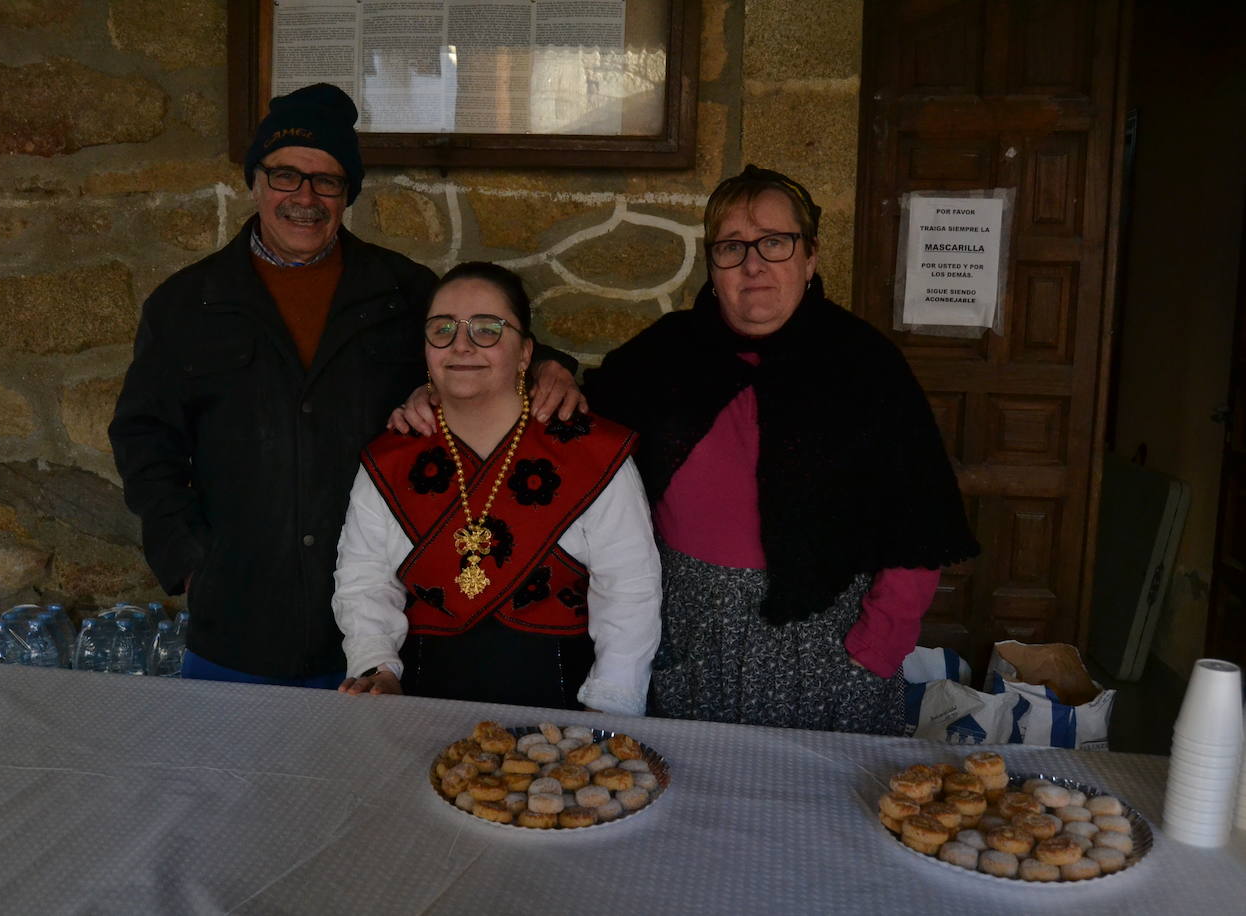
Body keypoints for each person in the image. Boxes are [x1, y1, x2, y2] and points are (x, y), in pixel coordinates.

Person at [108, 84, 582, 687]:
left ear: (347, 194)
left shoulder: (401, 291)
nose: (304, 198)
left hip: (380, 624)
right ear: (254, 183)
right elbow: (143, 437)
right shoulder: (186, 304)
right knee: (227, 778)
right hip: (238, 622)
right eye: (285, 176)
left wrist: (550, 366)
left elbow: (483, 339)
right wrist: (190, 560)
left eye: (326, 181)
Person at [578, 165, 981, 733]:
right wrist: (542, 369)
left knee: (816, 812)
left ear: (810, 257)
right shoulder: (664, 355)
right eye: (732, 247)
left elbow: (917, 520)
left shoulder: (865, 366)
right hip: (688, 636)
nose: (753, 264)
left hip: (826, 645)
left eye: (775, 242)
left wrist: (874, 650)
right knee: (691, 804)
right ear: (712, 265)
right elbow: (577, 427)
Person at [333, 263, 661, 714]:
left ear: (526, 353)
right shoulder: (390, 460)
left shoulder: (590, 452)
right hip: (421, 700)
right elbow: (364, 580)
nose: (461, 344)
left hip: (561, 700)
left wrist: (610, 701)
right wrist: (377, 668)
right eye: (442, 328)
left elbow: (629, 587)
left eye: (487, 329)